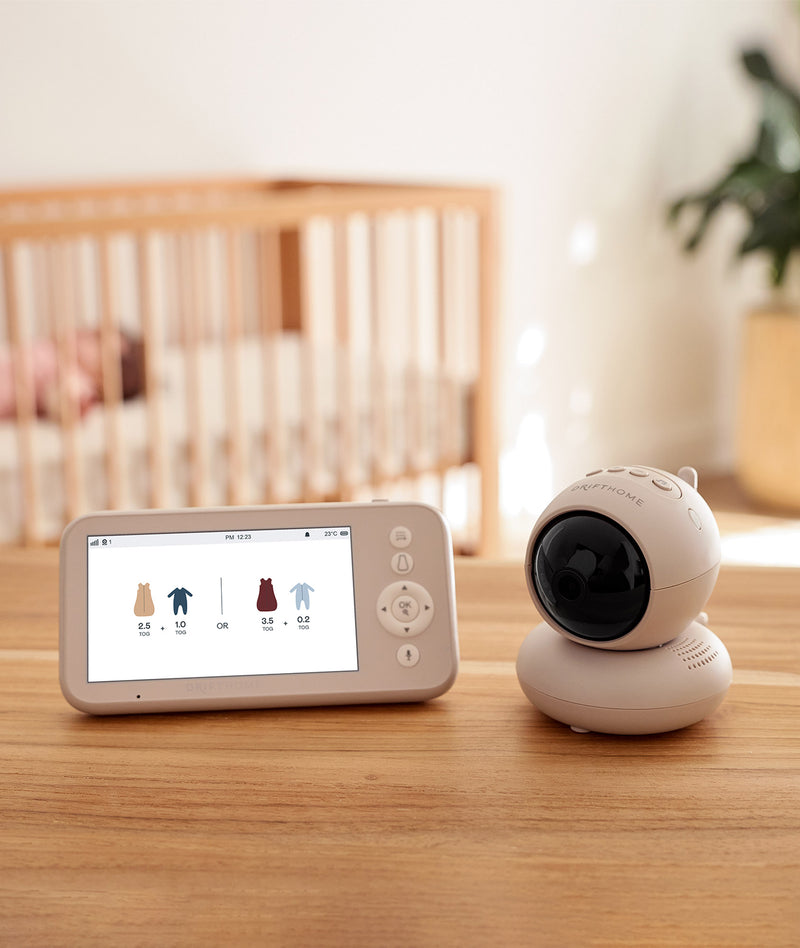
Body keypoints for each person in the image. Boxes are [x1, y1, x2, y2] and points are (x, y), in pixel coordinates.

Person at [0, 328, 145, 421]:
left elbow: (61, 395)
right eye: (95, 332)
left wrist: (75, 402)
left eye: (97, 340)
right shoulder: (56, 348)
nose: (87, 334)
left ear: (103, 378)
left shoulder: (76, 376)